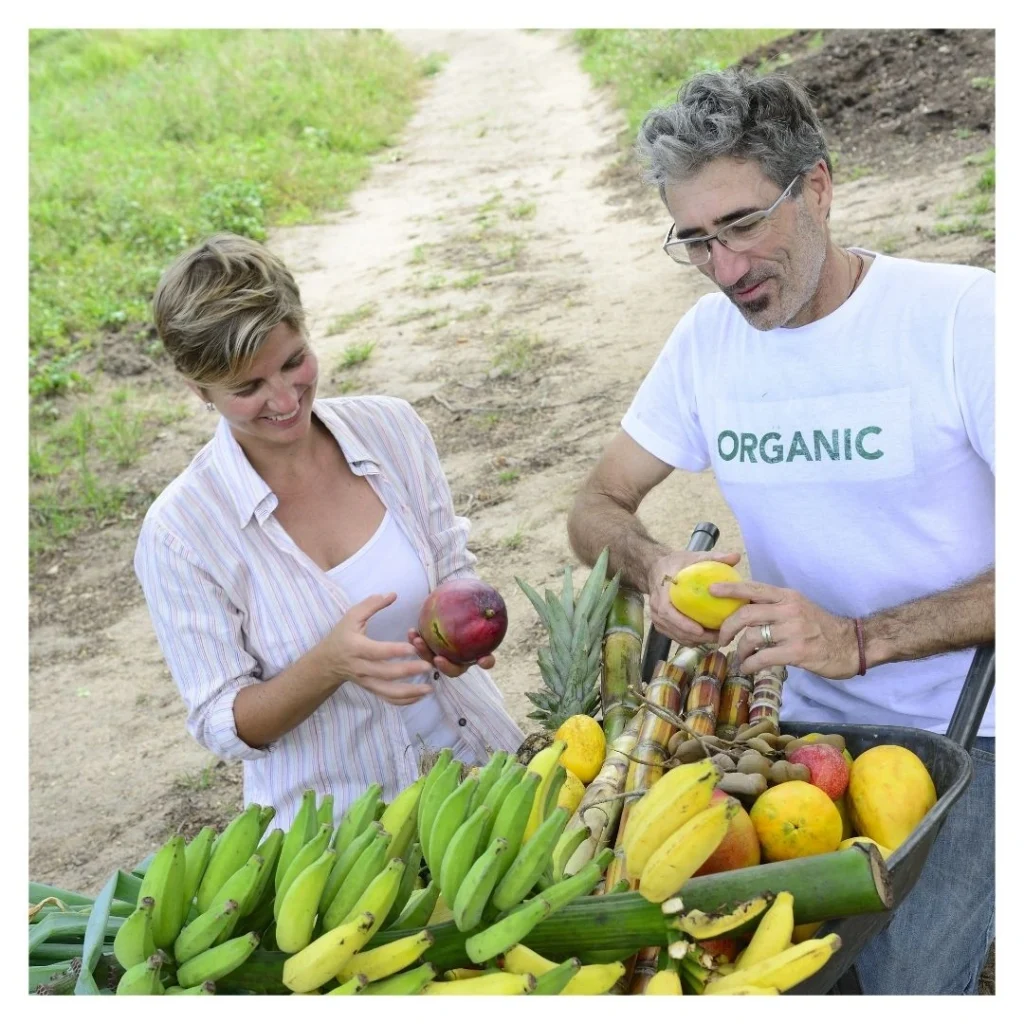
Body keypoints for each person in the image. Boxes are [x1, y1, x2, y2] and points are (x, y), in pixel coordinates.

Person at [566, 69, 994, 995]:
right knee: (705, 964)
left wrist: (861, 638)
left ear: (821, 188)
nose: (726, 271)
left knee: (910, 984)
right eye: (695, 242)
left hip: (976, 725)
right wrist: (653, 565)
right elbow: (595, 507)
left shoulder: (966, 321)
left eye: (745, 224)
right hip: (778, 731)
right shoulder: (705, 345)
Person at [134, 233, 524, 833]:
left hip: (487, 777)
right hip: (343, 842)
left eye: (294, 362)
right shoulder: (182, 533)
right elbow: (223, 723)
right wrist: (328, 665)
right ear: (198, 390)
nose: (286, 400)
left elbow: (451, 566)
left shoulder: (391, 429)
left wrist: (458, 642)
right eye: (248, 388)